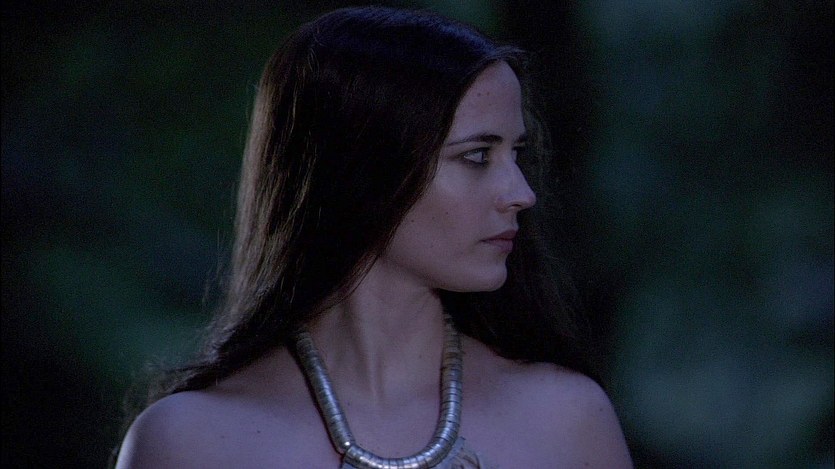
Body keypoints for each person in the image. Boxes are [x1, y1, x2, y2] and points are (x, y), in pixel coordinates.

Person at [114, 6, 632, 468]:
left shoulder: (566, 421)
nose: (521, 193)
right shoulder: (191, 441)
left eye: (516, 154)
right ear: (359, 168)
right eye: (477, 156)